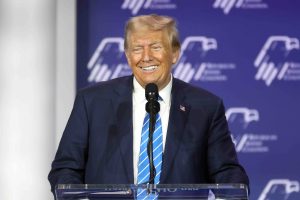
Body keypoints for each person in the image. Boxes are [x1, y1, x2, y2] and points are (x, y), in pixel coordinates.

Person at [48, 14, 249, 196]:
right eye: (137, 49)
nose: (146, 57)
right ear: (128, 56)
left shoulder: (205, 106)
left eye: (155, 47)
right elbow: (65, 169)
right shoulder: (92, 102)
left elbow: (227, 173)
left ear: (175, 53)